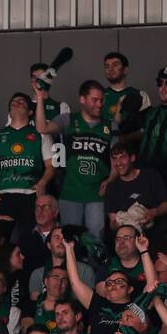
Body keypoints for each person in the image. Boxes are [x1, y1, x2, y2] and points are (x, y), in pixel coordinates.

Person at [34, 79, 113, 237]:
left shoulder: (110, 126)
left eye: (101, 100)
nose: (99, 104)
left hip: (97, 194)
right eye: (95, 100)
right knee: (70, 240)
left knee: (95, 240)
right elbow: (42, 128)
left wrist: (111, 179)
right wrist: (40, 98)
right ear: (82, 99)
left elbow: (116, 160)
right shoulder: (68, 119)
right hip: (70, 192)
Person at [0, 92, 55, 228]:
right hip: (3, 195)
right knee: (2, 240)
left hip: (31, 195)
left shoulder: (41, 134)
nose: (16, 103)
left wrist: (42, 183)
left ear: (30, 112)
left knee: (29, 240)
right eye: (13, 102)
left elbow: (51, 166)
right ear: (9, 113)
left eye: (21, 102)